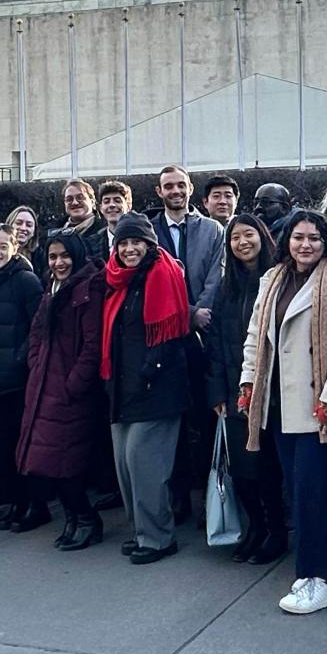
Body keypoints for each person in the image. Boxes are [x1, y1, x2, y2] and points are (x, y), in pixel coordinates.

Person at [239, 210, 327, 614]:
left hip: (318, 407)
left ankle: (320, 578)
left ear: (326, 241)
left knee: (313, 492)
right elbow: (255, 335)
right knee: (300, 493)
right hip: (277, 403)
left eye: (314, 237)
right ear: (287, 241)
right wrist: (248, 382)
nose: (306, 244)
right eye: (298, 237)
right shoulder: (272, 279)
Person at [102, 216, 192, 564]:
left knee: (145, 463)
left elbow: (172, 333)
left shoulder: (164, 273)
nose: (129, 249)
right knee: (125, 464)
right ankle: (142, 531)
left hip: (157, 388)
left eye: (136, 242)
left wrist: (149, 370)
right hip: (122, 388)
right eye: (123, 243)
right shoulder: (117, 279)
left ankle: (159, 538)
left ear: (149, 244)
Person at [17, 231, 109, 550]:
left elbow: (92, 344)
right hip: (45, 384)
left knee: (66, 464)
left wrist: (73, 383)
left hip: (69, 391)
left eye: (64, 256)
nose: (59, 262)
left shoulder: (89, 286)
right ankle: (73, 519)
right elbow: (38, 332)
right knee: (48, 464)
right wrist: (35, 364)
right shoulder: (52, 287)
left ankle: (86, 519)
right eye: (53, 257)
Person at [206, 215, 285, 563]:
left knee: (268, 470)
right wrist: (218, 394)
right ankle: (255, 527)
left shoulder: (278, 280)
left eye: (248, 234)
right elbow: (216, 346)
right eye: (235, 237)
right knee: (243, 471)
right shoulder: (227, 288)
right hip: (237, 394)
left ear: (262, 237)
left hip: (272, 392)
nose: (242, 242)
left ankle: (276, 531)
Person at [151, 165, 226, 526]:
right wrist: (186, 314)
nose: (176, 190)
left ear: (190, 187)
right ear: (159, 191)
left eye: (181, 184)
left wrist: (198, 313)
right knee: (174, 424)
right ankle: (178, 498)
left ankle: (213, 500)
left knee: (207, 419)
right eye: (169, 186)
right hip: (167, 340)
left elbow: (217, 274)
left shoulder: (213, 229)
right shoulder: (149, 232)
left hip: (204, 337)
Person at [0, 223, 46, 531]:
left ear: (15, 249)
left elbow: (40, 327)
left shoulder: (26, 280)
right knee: (6, 444)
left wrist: (20, 361)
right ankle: (16, 502)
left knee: (25, 444)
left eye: (4, 246)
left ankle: (36, 504)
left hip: (19, 378)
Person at [97, 181, 133, 261]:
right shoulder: (92, 244)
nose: (112, 205)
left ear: (128, 205)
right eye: (106, 202)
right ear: (101, 208)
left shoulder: (140, 240)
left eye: (117, 201)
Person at [61, 177, 101, 244]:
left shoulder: (104, 231)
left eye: (80, 197)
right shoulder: (54, 232)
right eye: (69, 199)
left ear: (92, 201)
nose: (75, 203)